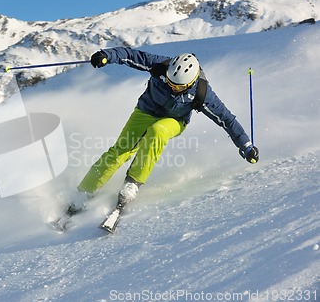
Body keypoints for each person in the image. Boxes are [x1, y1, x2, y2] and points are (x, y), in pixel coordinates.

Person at [66, 47, 259, 216]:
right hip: (146, 110)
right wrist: (106, 55)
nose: (172, 88)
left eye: (178, 87)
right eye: (170, 82)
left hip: (174, 121)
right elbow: (131, 55)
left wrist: (246, 146)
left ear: (190, 84)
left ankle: (133, 183)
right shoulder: (160, 66)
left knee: (157, 131)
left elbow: (226, 119)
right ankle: (83, 192)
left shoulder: (202, 93)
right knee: (121, 150)